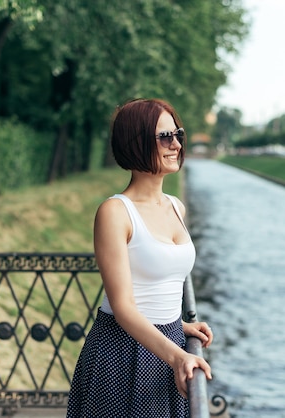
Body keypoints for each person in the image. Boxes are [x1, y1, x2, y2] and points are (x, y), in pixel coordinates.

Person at [67, 98, 213, 417]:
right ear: (135, 144)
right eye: (164, 137)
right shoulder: (115, 212)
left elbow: (162, 281)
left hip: (167, 340)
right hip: (121, 351)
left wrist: (177, 325)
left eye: (178, 134)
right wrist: (178, 357)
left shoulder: (176, 206)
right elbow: (123, 307)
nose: (175, 144)